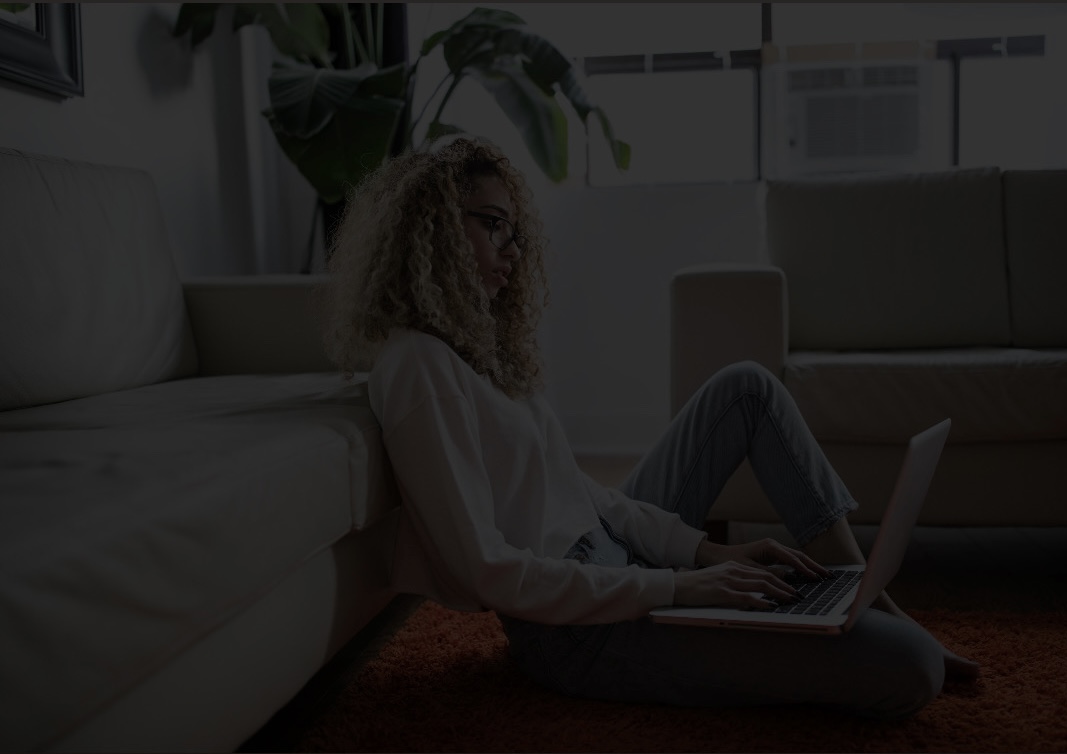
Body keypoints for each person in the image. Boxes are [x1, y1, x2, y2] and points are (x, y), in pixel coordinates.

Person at [321, 137, 979, 719]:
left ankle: (860, 593)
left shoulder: (476, 350)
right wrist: (675, 587)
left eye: (515, 232)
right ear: (431, 228)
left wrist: (701, 554)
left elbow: (583, 495)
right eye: (492, 225)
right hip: (575, 632)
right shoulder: (416, 366)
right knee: (911, 668)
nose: (511, 252)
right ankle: (862, 618)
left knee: (744, 387)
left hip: (616, 562)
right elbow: (485, 570)